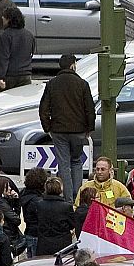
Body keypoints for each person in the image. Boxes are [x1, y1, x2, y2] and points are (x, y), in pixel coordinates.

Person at [40, 53, 95, 206]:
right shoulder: (82, 84)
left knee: (63, 163)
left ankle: (67, 200)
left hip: (58, 130)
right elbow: (89, 108)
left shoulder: (52, 84)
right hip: (78, 131)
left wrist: (47, 127)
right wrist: (89, 127)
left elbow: (43, 108)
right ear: (73, 65)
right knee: (76, 161)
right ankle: (78, 198)